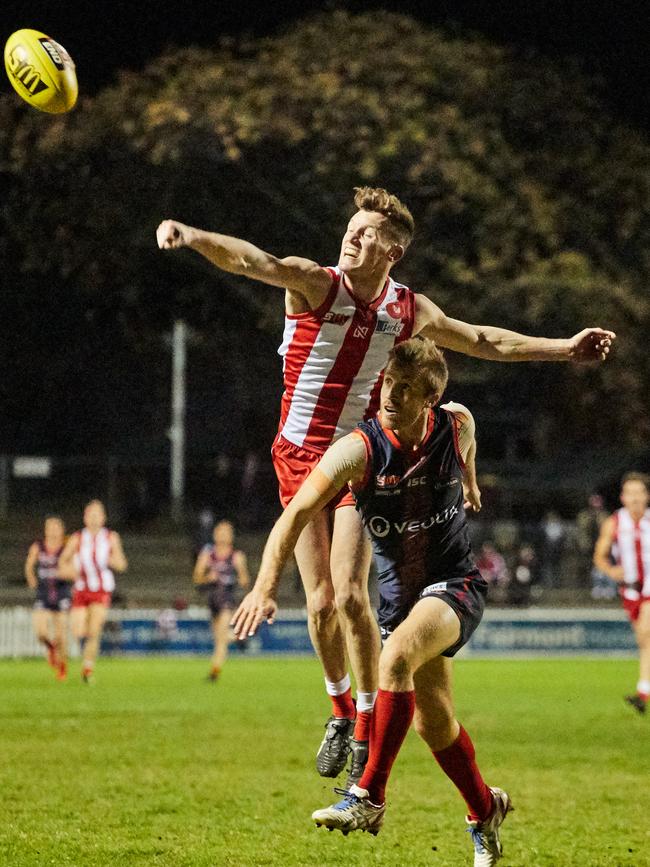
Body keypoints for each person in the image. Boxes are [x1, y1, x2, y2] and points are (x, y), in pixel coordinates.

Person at [158, 186, 614, 780]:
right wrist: (191, 236)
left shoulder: (409, 311)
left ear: (392, 251)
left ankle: (370, 719)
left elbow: (481, 340)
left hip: (360, 457)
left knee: (351, 594)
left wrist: (563, 348)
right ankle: (341, 711)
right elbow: (253, 261)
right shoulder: (316, 284)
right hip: (298, 457)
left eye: (366, 232)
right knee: (319, 602)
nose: (351, 235)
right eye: (352, 226)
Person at [233, 338, 512, 865]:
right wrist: (265, 585)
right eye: (388, 383)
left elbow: (468, 452)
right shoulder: (358, 451)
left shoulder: (457, 424)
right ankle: (484, 810)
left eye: (405, 389)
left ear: (430, 399)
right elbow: (293, 516)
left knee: (396, 657)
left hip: (455, 583)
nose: (391, 395)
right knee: (435, 723)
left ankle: (368, 796)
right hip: (401, 600)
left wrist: (469, 483)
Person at [593, 473, 650, 714]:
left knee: (646, 633)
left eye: (640, 493)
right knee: (644, 642)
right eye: (631, 493)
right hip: (630, 592)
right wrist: (611, 570)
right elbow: (599, 556)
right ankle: (643, 693)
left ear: (646, 496)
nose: (635, 498)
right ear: (623, 497)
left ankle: (643, 690)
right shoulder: (614, 522)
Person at [58, 500, 128, 682]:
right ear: (85, 518)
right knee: (78, 630)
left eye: (98, 515)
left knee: (94, 630)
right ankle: (78, 658)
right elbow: (62, 563)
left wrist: (110, 560)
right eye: (91, 515)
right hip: (81, 590)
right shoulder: (77, 538)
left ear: (104, 518)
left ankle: (87, 670)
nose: (95, 518)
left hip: (101, 590)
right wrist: (71, 572)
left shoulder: (111, 537)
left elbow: (122, 564)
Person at [193, 519, 250, 681]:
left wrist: (240, 580)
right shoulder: (207, 555)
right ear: (215, 534)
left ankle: (214, 674)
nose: (223, 535)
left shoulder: (236, 556)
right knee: (219, 637)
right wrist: (208, 577)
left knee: (221, 638)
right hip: (212, 599)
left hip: (227, 598)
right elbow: (197, 578)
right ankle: (238, 637)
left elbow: (244, 580)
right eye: (220, 532)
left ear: (231, 536)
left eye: (227, 532)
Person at [24, 516, 71, 680]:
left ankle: (62, 667)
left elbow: (74, 569)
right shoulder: (39, 546)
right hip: (43, 593)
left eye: (56, 528)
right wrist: (31, 579)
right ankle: (50, 648)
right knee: (41, 632)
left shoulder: (66, 548)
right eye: (49, 528)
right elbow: (29, 565)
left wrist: (67, 573)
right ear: (45, 530)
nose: (52, 531)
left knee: (61, 635)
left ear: (62, 530)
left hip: (62, 591)